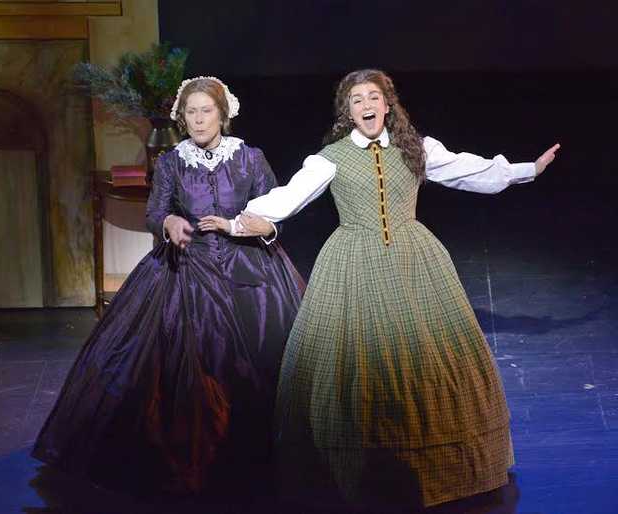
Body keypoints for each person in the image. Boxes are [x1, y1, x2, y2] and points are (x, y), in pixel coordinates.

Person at [235, 69, 559, 509]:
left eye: (373, 97)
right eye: (356, 100)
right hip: (352, 261)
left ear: (388, 105)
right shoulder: (330, 157)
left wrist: (526, 170)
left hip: (413, 258)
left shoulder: (415, 149)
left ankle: (438, 468)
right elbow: (290, 196)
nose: (366, 105)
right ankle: (346, 471)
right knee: (354, 362)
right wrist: (242, 220)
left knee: (424, 356)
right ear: (347, 113)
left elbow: (468, 169)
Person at [32, 76, 305, 497]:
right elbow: (155, 210)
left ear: (222, 113)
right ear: (182, 117)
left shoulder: (251, 159)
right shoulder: (172, 162)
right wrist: (170, 223)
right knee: (181, 362)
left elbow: (274, 209)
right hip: (187, 267)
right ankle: (192, 460)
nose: (198, 119)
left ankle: (260, 456)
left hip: (250, 270)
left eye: (206, 111)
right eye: (191, 112)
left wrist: (261, 225)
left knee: (263, 361)